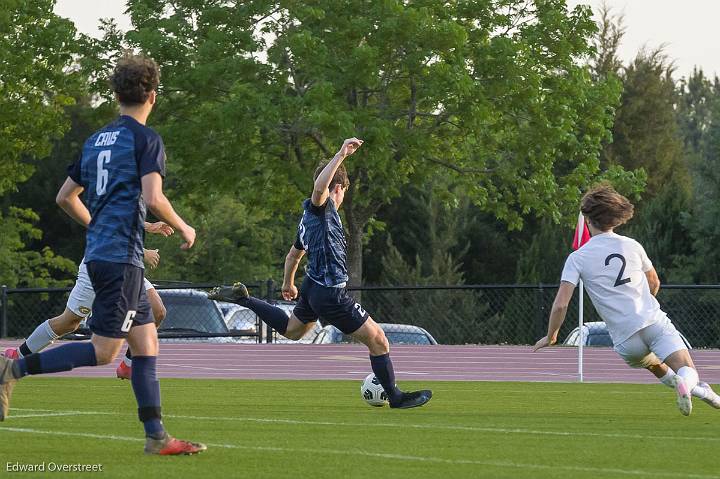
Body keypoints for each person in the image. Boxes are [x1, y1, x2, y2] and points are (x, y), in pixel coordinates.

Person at [0, 54, 205, 454]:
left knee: (146, 346)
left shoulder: (95, 140)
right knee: (104, 351)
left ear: (116, 94)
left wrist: (97, 227)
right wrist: (184, 226)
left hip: (102, 254)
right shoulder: (146, 139)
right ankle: (14, 368)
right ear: (152, 95)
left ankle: (157, 437)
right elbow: (153, 197)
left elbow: (64, 197)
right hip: (121, 259)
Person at [209, 138, 432, 409]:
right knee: (378, 340)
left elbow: (293, 255)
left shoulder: (307, 219)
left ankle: (245, 299)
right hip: (330, 292)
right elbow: (318, 189)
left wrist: (287, 283)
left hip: (312, 288)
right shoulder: (322, 209)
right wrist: (341, 154)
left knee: (292, 331)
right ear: (338, 188)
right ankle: (395, 397)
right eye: (343, 191)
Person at [533, 184, 720, 416]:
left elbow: (561, 304)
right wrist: (643, 305)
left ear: (588, 220)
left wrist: (551, 336)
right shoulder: (632, 245)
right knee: (687, 370)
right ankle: (686, 384)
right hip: (652, 322)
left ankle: (706, 394)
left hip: (625, 339)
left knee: (654, 364)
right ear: (614, 219)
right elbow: (654, 283)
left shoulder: (577, 257)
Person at [4, 237, 169, 381]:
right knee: (70, 322)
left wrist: (154, 226)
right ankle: (18, 355)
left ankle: (128, 366)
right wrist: (142, 251)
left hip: (127, 267)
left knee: (157, 311)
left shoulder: (134, 202)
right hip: (99, 264)